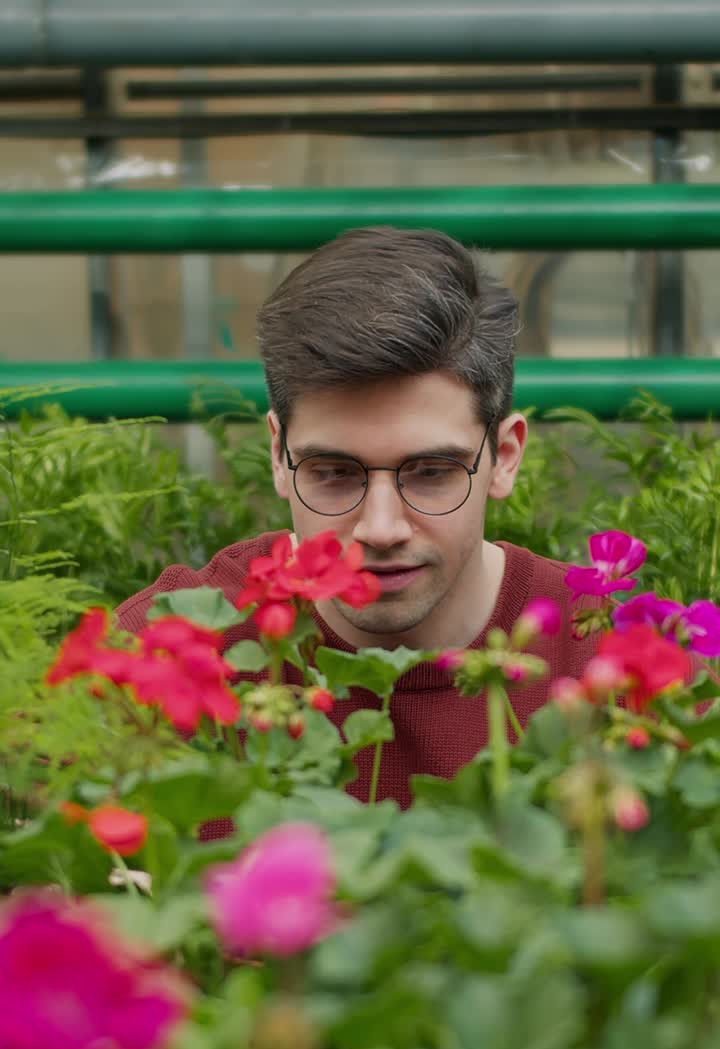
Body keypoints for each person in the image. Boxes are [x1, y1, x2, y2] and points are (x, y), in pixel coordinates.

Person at [117, 227, 599, 812]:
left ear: (505, 458)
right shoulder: (159, 653)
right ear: (278, 455)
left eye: (429, 471)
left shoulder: (610, 664)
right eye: (334, 473)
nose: (381, 527)